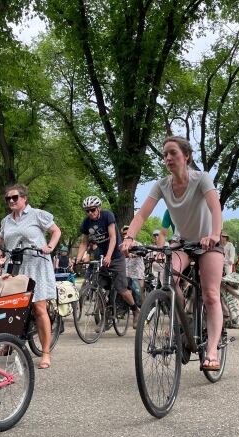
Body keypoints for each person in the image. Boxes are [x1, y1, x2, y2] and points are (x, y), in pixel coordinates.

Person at [121, 136, 224, 371]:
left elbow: (214, 206)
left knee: (210, 294)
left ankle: (211, 351)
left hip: (208, 242)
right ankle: (184, 324)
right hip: (183, 242)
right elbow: (142, 215)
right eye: (164, 154)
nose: (167, 158)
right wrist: (129, 238)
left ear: (186, 156)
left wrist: (215, 234)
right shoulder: (162, 184)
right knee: (168, 278)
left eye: (172, 153)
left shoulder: (201, 178)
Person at [0, 184, 61, 370]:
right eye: (8, 198)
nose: (11, 201)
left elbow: (56, 231)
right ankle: (9, 343)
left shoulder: (37, 214)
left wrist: (50, 247)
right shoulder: (6, 220)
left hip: (36, 264)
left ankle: (46, 352)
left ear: (24, 198)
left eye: (15, 197)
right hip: (15, 265)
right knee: (11, 307)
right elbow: (2, 238)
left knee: (39, 308)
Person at [76, 196, 140, 327]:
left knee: (121, 289)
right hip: (101, 256)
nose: (90, 213)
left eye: (92, 210)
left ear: (98, 208)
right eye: (87, 211)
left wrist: (109, 256)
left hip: (116, 256)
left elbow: (113, 237)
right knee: (97, 288)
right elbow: (84, 242)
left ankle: (135, 310)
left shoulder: (107, 216)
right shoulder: (86, 222)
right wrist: (78, 259)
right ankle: (105, 316)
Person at [122, 225, 145, 326]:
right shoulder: (121, 245)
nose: (125, 235)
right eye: (123, 234)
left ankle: (143, 314)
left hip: (137, 273)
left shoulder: (138, 244)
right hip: (125, 273)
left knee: (138, 291)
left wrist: (135, 254)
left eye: (127, 234)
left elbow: (143, 252)